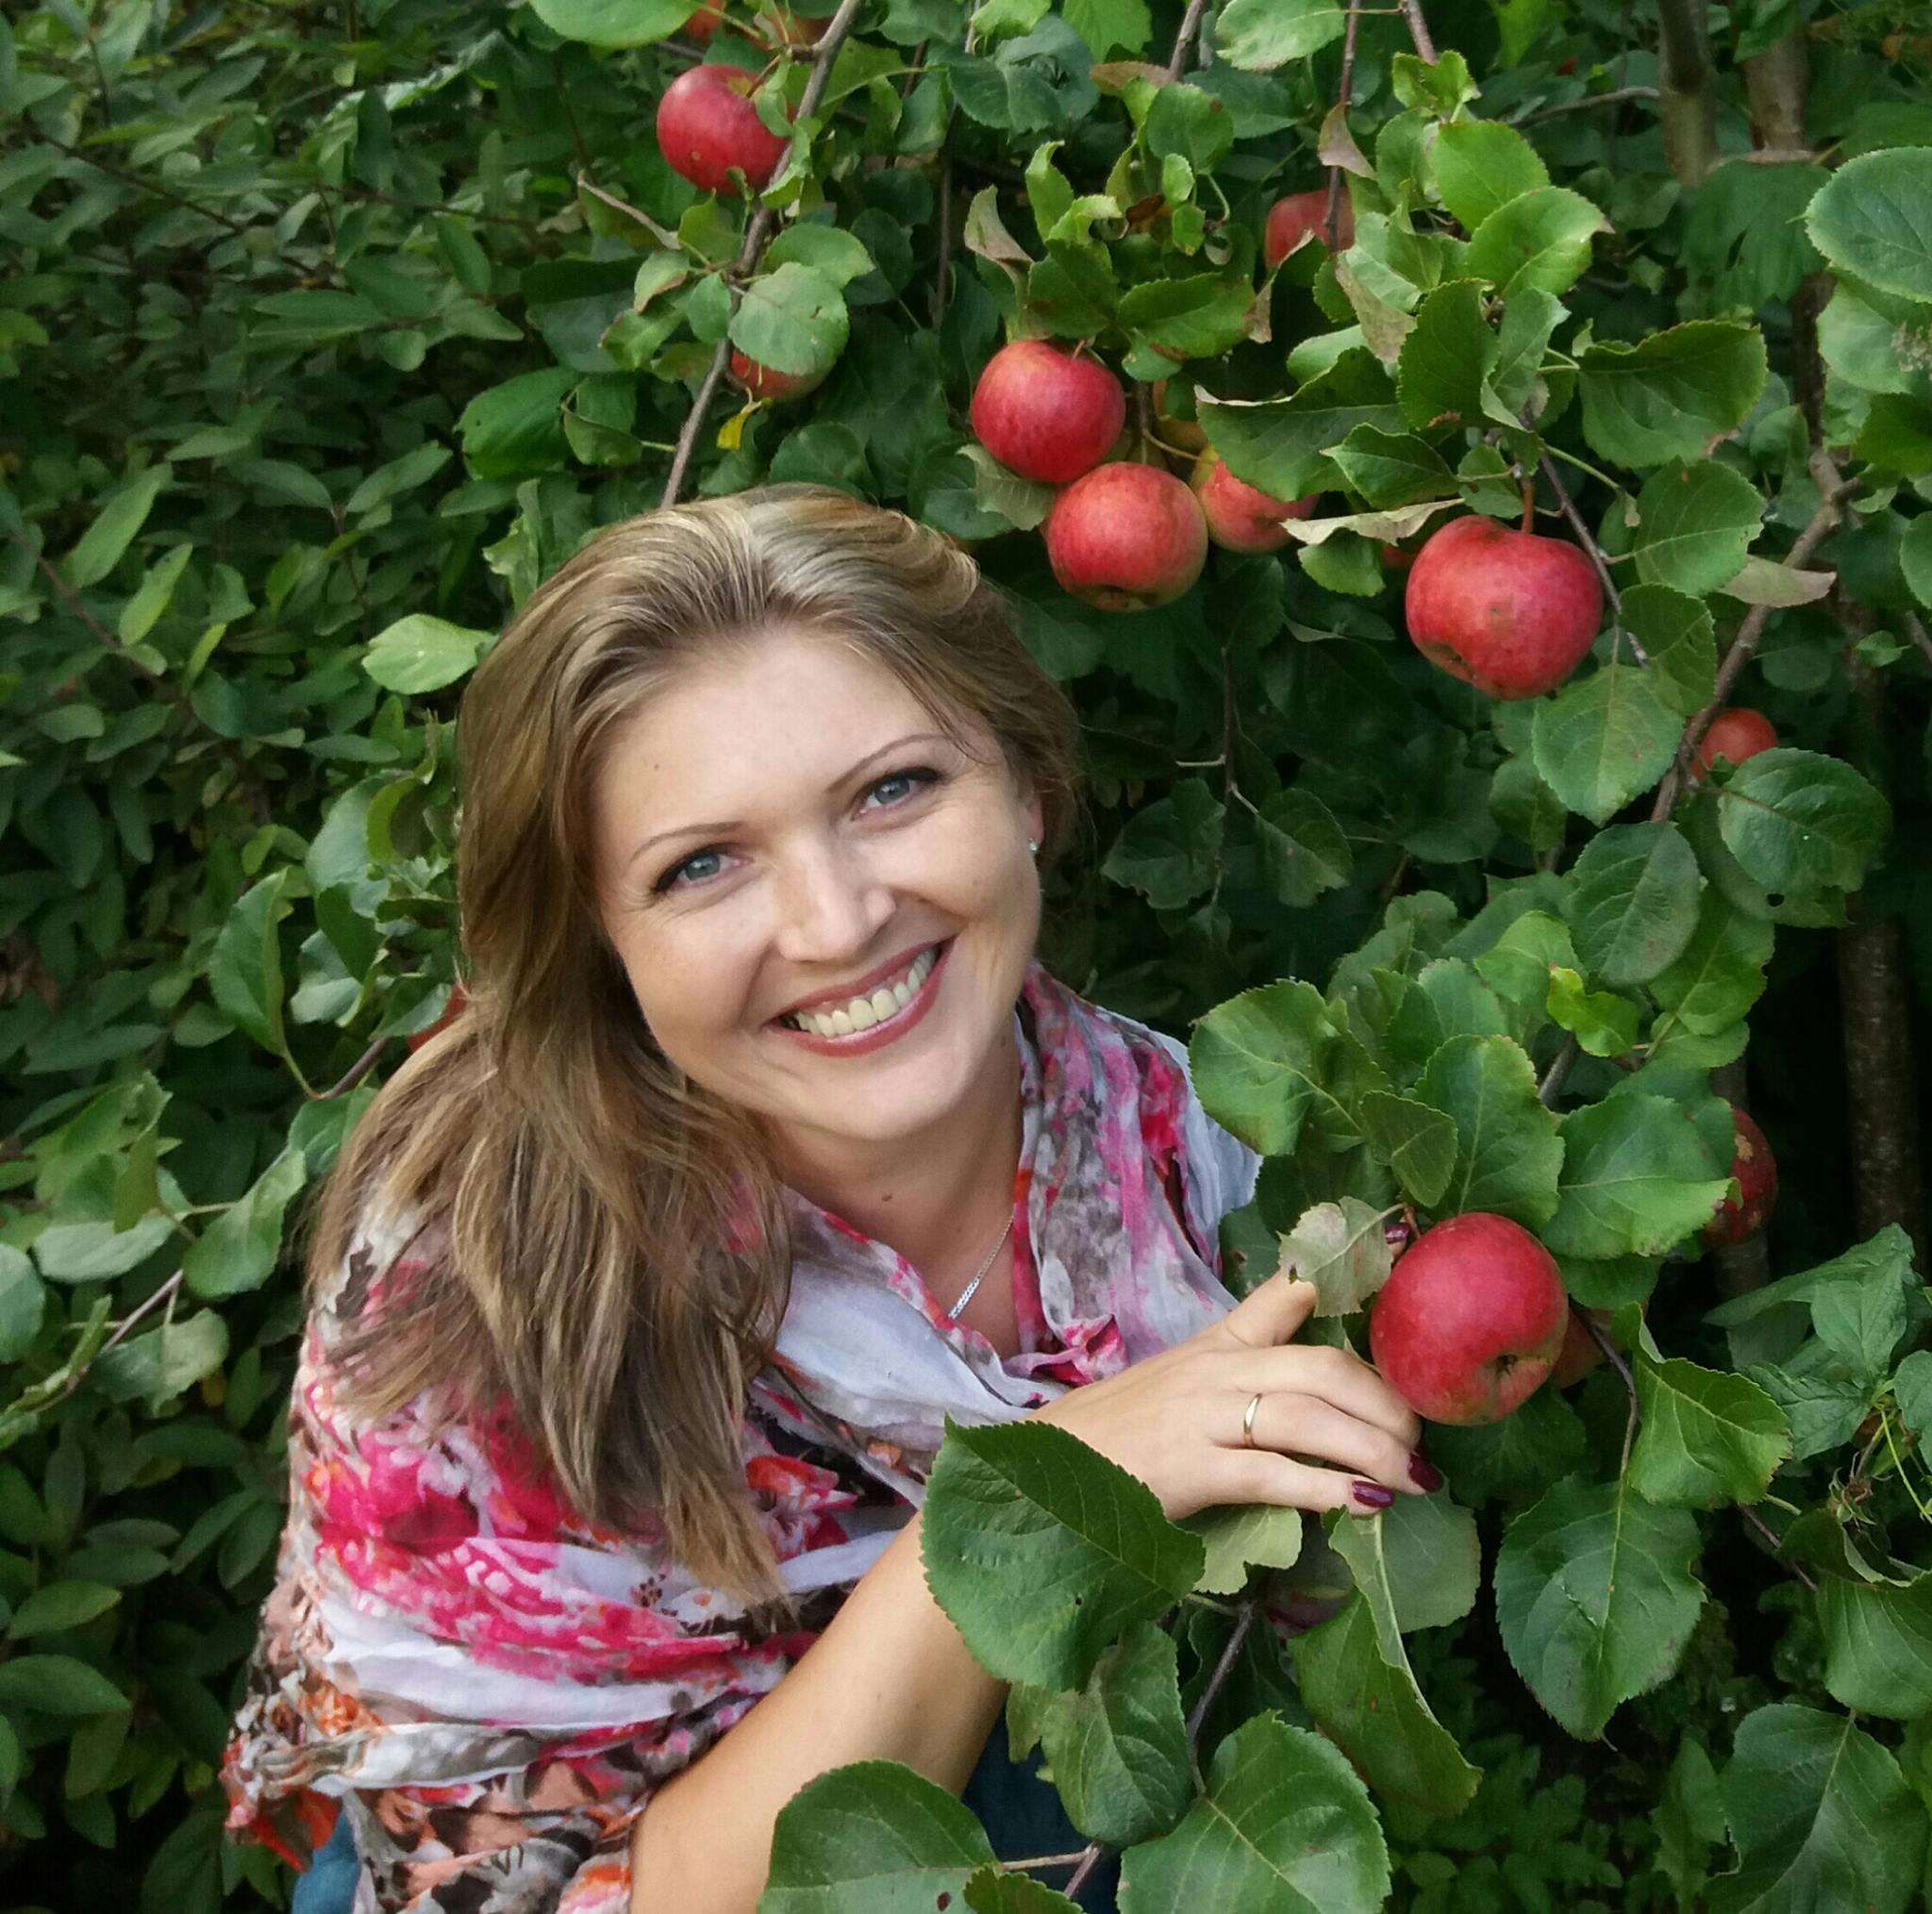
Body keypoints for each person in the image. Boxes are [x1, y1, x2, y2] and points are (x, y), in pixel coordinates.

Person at [221, 485, 1432, 1914]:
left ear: (1026, 785)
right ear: (604, 944)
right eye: (703, 864)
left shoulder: (1200, 1152)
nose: (836, 918)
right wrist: (1014, 1514)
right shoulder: (472, 1292)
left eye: (893, 789)